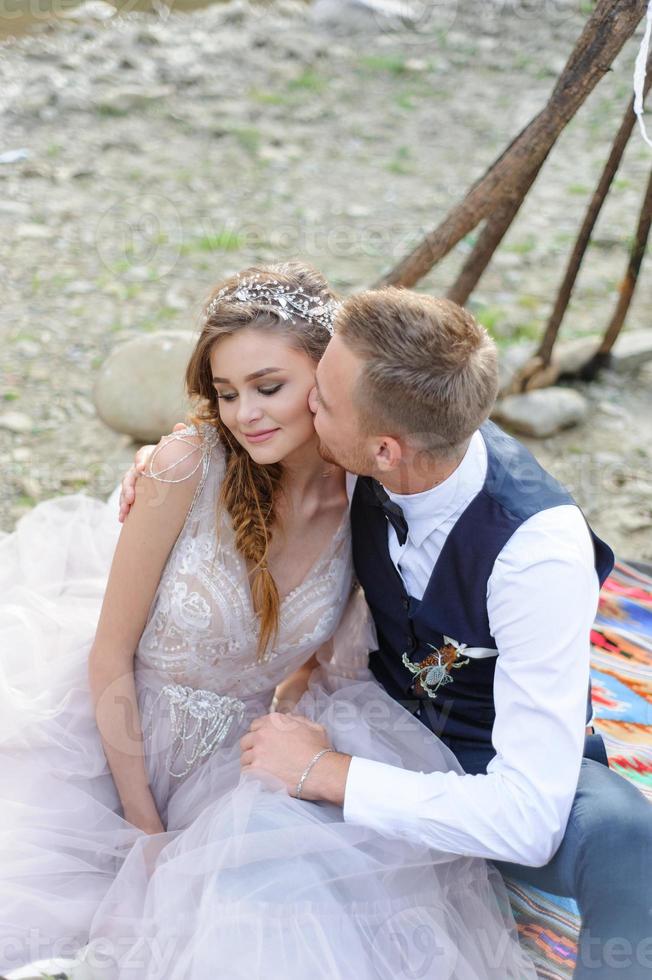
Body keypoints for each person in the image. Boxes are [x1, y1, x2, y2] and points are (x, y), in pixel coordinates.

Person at [0, 262, 536, 979]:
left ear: (327, 382)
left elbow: (328, 658)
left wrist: (284, 729)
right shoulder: (186, 466)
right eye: (226, 393)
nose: (244, 413)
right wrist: (144, 830)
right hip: (109, 739)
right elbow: (110, 656)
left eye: (269, 388)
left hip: (237, 760)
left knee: (277, 922)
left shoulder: (366, 502)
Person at [123, 286, 652, 980]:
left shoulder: (538, 554)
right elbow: (263, 359)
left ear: (384, 449)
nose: (306, 404)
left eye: (321, 402)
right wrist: (175, 458)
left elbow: (528, 812)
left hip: (486, 760)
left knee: (631, 843)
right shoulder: (372, 430)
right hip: (364, 715)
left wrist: (330, 774)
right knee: (255, 891)